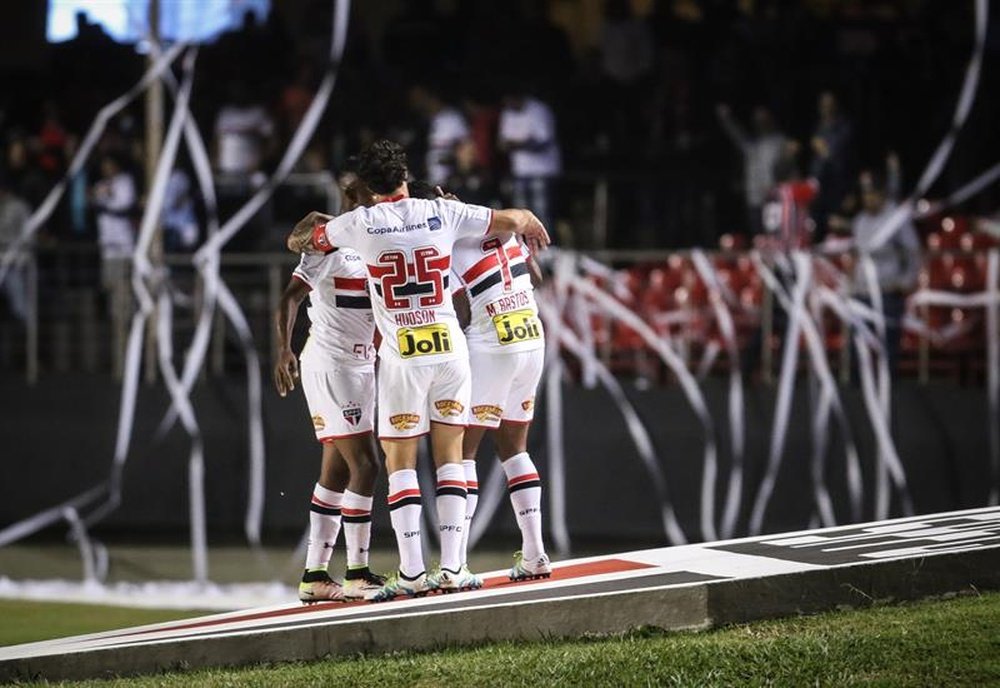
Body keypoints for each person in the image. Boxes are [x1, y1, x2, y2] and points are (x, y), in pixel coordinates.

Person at [287, 139, 550, 601]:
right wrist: (529, 223)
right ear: (406, 174)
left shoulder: (359, 223)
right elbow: (515, 220)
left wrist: (309, 230)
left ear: (368, 185)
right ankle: (454, 567)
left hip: (402, 355)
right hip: (450, 348)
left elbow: (305, 242)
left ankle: (410, 573)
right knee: (453, 457)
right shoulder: (445, 213)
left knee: (400, 461)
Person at [274, 172, 385, 603]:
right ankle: (357, 571)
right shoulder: (327, 243)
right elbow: (289, 298)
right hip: (331, 364)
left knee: (336, 472)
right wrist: (283, 349)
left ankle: (315, 575)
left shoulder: (376, 241)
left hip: (361, 364)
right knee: (367, 465)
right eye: (360, 192)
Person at [450, 205, 551, 581]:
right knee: (514, 448)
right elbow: (536, 276)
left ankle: (455, 561)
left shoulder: (450, 243)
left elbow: (460, 309)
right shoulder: (506, 231)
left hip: (492, 341)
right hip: (530, 333)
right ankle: (535, 553)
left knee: (461, 451)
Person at [851, 169, 921, 373]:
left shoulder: (896, 218)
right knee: (859, 350)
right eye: (865, 194)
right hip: (862, 294)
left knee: (887, 351)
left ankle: (889, 395)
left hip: (887, 292)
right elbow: (857, 256)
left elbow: (913, 251)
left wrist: (907, 281)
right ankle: (857, 394)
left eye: (872, 193)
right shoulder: (860, 221)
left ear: (882, 194)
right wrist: (850, 285)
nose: (868, 198)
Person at [716, 104, 788, 235]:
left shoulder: (779, 142)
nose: (761, 123)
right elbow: (736, 135)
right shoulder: (751, 145)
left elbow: (786, 169)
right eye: (758, 121)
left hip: (772, 198)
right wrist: (726, 119)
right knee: (758, 236)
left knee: (773, 235)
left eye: (764, 120)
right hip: (754, 198)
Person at [498, 91, 561, 233]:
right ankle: (524, 248)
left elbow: (543, 142)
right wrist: (516, 143)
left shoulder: (538, 110)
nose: (508, 105)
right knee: (520, 214)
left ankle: (545, 249)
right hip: (520, 170)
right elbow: (502, 143)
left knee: (541, 213)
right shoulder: (508, 113)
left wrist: (517, 144)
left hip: (542, 171)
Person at [410, 85, 471, 187]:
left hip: (451, 181)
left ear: (432, 98)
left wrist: (453, 162)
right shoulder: (432, 120)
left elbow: (466, 147)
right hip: (433, 181)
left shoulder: (452, 117)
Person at [0, 176, 31, 323]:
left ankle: (32, 339)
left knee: (20, 307)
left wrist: (21, 260)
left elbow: (27, 234)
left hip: (13, 263)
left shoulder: (19, 206)